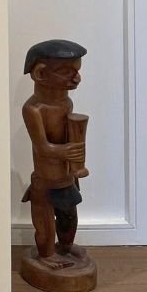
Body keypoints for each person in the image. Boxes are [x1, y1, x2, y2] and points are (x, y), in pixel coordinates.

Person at [21, 39, 90, 271]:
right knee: (45, 221)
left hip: (67, 175)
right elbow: (43, 148)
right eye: (66, 71)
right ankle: (47, 254)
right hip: (46, 179)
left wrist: (74, 158)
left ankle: (66, 246)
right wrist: (67, 150)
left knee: (69, 215)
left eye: (77, 71)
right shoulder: (34, 110)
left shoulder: (66, 103)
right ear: (40, 73)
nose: (76, 78)